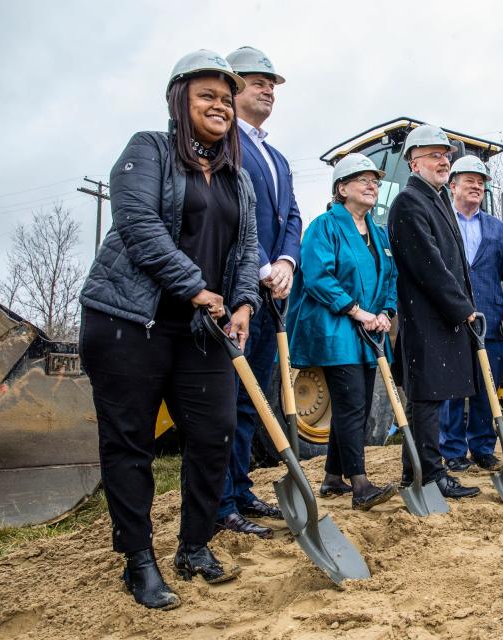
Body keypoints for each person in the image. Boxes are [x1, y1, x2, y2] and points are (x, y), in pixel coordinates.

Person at [79, 50, 260, 610]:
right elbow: (138, 226)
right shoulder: (147, 150)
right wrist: (195, 286)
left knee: (215, 432)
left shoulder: (237, 177)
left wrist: (245, 301)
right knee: (130, 441)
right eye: (207, 95)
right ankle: (138, 560)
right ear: (178, 101)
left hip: (199, 330)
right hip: (128, 322)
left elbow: (248, 246)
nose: (220, 106)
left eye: (227, 100)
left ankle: (194, 545)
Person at [213, 46, 301, 539]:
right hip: (236, 290)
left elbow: (292, 216)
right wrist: (262, 266)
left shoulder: (277, 156)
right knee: (228, 396)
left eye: (272, 84)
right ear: (232, 88)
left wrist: (287, 261)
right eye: (257, 81)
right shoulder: (223, 144)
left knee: (254, 399)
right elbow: (231, 215)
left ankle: (241, 488)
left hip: (273, 293)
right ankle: (220, 500)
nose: (267, 89)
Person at [284, 153, 398, 509]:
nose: (371, 185)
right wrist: (357, 311)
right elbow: (318, 276)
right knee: (351, 404)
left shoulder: (379, 234)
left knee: (358, 406)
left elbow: (390, 277)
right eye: (362, 179)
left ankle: (333, 477)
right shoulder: (325, 226)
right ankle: (360, 485)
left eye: (375, 181)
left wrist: (384, 312)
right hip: (336, 330)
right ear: (341, 188)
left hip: (368, 330)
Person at [388, 124, 481, 499]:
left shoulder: (437, 199)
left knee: (433, 396)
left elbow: (453, 262)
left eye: (445, 155)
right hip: (426, 316)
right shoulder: (409, 203)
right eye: (434, 155)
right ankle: (429, 475)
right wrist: (463, 308)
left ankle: (417, 470)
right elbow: (429, 265)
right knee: (426, 397)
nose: (444, 161)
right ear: (414, 163)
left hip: (441, 315)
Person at [438, 156, 503, 472]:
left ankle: (483, 447)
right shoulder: (442, 222)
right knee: (453, 390)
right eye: (469, 180)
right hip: (453, 319)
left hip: (491, 319)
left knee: (489, 388)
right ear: (453, 185)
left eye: (481, 182)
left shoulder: (498, 229)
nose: (476, 186)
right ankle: (453, 451)